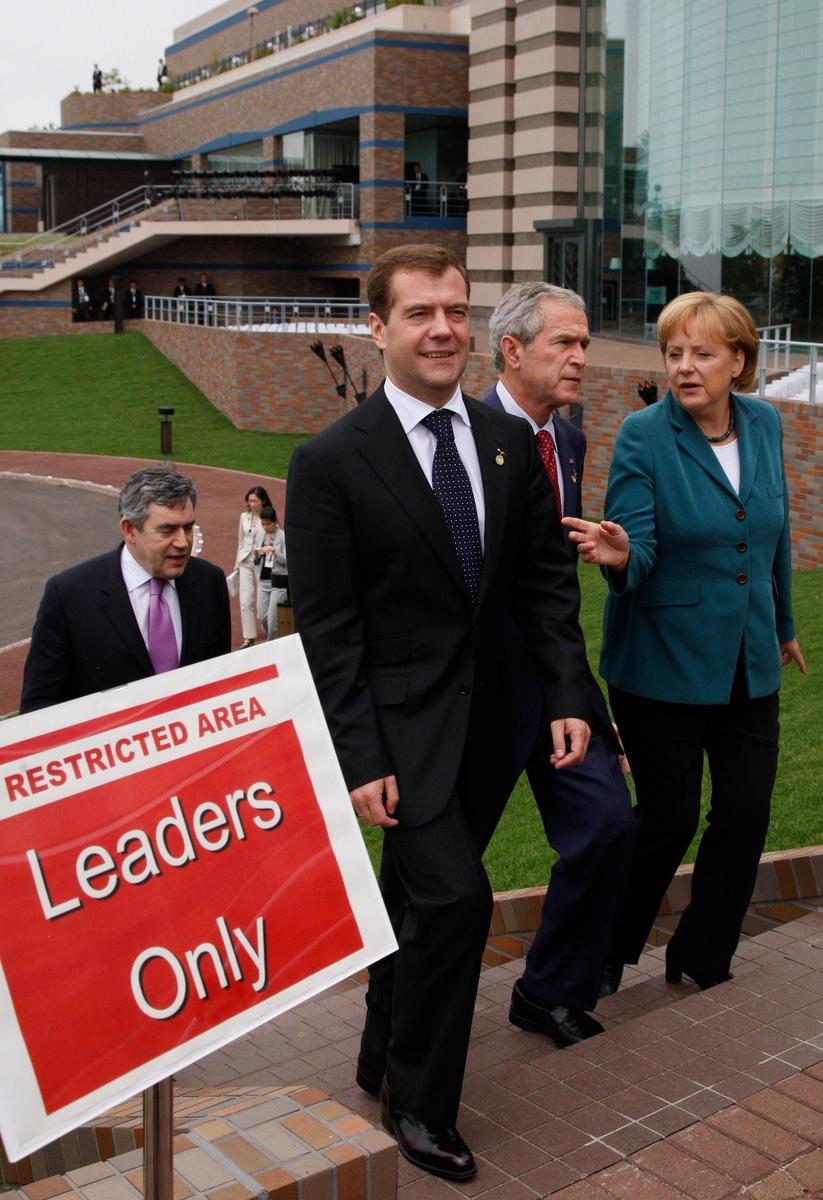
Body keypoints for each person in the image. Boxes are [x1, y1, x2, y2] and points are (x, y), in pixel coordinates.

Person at [286, 244, 593, 1180]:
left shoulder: (505, 444)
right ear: (376, 329)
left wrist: (569, 695)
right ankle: (419, 1104)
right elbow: (329, 629)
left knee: (410, 900)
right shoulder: (331, 462)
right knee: (456, 902)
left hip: (491, 726)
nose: (443, 330)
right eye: (420, 313)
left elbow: (543, 585)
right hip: (400, 735)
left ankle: (381, 1047)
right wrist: (357, 756)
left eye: (456, 311)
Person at [564, 291, 806, 995]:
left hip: (745, 661)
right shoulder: (644, 434)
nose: (684, 367)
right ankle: (604, 955)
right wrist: (618, 556)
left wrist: (783, 624)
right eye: (673, 353)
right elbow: (636, 545)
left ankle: (702, 956)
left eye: (701, 353)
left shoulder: (762, 424)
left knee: (745, 812)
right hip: (658, 662)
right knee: (666, 821)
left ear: (738, 360)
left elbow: (773, 533)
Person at [482, 282, 635, 1045]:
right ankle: (395, 1038)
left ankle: (547, 990)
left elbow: (553, 592)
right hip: (475, 699)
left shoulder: (565, 441)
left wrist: (586, 704)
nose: (581, 357)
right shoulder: (466, 439)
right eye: (564, 344)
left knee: (606, 824)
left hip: (558, 687)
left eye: (584, 343)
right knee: (437, 880)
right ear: (512, 351)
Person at [20, 465, 231, 713]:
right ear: (130, 530)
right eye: (168, 530)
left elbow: (221, 682)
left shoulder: (210, 582)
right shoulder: (69, 596)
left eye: (187, 528)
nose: (183, 542)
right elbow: (38, 709)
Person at [234, 485, 271, 648]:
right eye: (249, 501)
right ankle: (249, 637)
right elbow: (240, 541)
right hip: (245, 561)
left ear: (263, 501)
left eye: (255, 500)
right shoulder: (244, 517)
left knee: (262, 604)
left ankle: (270, 627)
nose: (252, 504)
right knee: (245, 600)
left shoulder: (269, 517)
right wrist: (237, 564)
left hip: (262, 563)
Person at [253, 505, 287, 641]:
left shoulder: (283, 536)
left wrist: (274, 550)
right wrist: (256, 555)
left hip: (278, 581)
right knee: (262, 616)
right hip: (263, 580)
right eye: (263, 524)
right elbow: (256, 560)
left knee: (273, 620)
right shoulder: (260, 535)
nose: (265, 527)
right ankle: (272, 639)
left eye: (268, 524)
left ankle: (271, 645)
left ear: (275, 521)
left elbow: (287, 560)